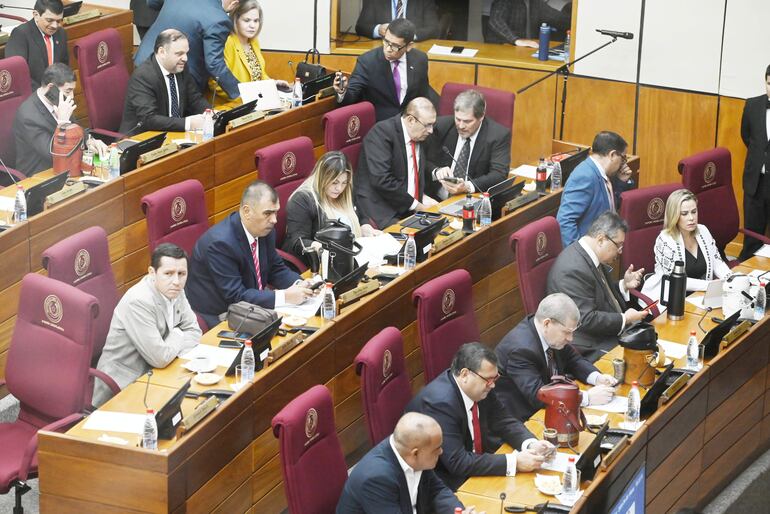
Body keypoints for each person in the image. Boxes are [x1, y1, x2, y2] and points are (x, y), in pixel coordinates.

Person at [405, 342, 554, 491]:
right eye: (489, 380)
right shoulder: (440, 404)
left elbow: (503, 420)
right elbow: (458, 462)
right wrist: (515, 462)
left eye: (495, 379)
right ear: (465, 374)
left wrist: (531, 444)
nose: (493, 385)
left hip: (476, 464)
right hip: (445, 483)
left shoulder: (481, 386)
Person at [186, 180, 315, 329]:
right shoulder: (220, 245)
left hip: (254, 304)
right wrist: (285, 296)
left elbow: (275, 268)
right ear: (247, 212)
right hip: (221, 315)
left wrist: (300, 285)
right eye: (267, 213)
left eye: (275, 212)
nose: (274, 220)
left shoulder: (265, 231)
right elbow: (237, 296)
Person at [92, 243, 201, 407]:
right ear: (152, 273)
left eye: (182, 274)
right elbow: (159, 358)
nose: (176, 281)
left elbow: (194, 330)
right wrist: (178, 334)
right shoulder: (139, 301)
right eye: (168, 273)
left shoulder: (175, 289)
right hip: (124, 386)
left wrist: (170, 351)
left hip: (158, 374)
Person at [495, 293, 618, 421]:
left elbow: (572, 359)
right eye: (567, 332)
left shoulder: (548, 333)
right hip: (522, 418)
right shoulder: (520, 350)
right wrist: (586, 398)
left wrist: (597, 378)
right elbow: (538, 395)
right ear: (547, 323)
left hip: (550, 406)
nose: (570, 339)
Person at [546, 211, 649, 361]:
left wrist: (623, 285)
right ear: (601, 239)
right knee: (642, 358)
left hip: (604, 334)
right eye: (618, 245)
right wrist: (624, 319)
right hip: (588, 344)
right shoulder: (573, 269)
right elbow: (586, 319)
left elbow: (594, 292)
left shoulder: (589, 255)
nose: (620, 252)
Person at [336, 412, 478, 514]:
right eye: (436, 449)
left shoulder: (413, 454)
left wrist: (458, 512)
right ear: (415, 453)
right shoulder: (376, 479)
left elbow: (436, 490)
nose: (441, 452)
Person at [283, 151, 379, 268]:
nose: (339, 188)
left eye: (344, 182)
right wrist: (319, 248)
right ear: (322, 177)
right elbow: (297, 242)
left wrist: (365, 227)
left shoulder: (345, 191)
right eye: (334, 182)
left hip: (356, 257)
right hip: (323, 265)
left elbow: (360, 215)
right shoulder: (302, 199)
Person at [354, 97, 439, 229]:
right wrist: (417, 205)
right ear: (411, 120)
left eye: (433, 124)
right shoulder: (381, 134)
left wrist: (422, 196)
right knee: (413, 240)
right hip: (382, 206)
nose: (431, 130)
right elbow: (382, 180)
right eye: (427, 125)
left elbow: (414, 171)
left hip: (408, 203)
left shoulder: (419, 134)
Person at [134, 0, 241, 99]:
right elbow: (214, 64)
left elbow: (152, 2)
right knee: (169, 118)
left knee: (143, 113)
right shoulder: (218, 19)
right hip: (175, 79)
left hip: (144, 60)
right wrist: (240, 92)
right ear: (234, 3)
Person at [13, 63, 107, 176]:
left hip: (67, 166)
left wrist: (89, 140)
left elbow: (76, 128)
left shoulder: (58, 101)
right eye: (68, 91)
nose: (71, 96)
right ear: (51, 88)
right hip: (39, 175)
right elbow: (53, 154)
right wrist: (62, 124)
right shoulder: (28, 116)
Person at [333, 18, 435, 122]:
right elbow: (352, 96)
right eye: (386, 41)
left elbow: (422, 95)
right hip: (380, 127)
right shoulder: (368, 61)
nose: (388, 49)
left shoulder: (420, 59)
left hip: (409, 125)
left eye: (395, 46)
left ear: (409, 46)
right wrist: (342, 91)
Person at [641, 189, 731, 301]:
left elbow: (717, 262)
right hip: (670, 299)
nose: (691, 218)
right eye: (684, 214)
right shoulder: (665, 240)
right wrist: (710, 285)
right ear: (674, 215)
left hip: (699, 295)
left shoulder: (703, 230)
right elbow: (676, 280)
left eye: (694, 212)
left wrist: (730, 279)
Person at [120, 29, 211, 134]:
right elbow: (149, 119)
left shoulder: (180, 68)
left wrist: (210, 113)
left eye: (186, 53)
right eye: (179, 54)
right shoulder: (143, 77)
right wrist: (188, 123)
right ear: (162, 52)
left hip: (172, 134)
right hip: (141, 139)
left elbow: (195, 99)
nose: (185, 58)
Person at [427, 89, 510, 199]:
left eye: (467, 121)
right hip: (435, 199)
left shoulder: (498, 135)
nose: (460, 126)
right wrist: (436, 171)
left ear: (481, 117)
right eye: (458, 119)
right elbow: (421, 158)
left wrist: (466, 186)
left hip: (472, 200)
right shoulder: (440, 126)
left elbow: (499, 174)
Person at [556, 130, 634, 247]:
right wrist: (579, 256)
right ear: (612, 155)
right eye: (623, 158)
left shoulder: (601, 173)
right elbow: (565, 221)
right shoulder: (585, 176)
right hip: (587, 254)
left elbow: (609, 205)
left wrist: (621, 182)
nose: (623, 164)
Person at [208, 0, 289, 102]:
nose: (252, 25)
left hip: (255, 102)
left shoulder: (254, 42)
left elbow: (260, 75)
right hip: (231, 105)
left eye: (256, 21)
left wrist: (273, 83)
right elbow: (215, 82)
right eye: (247, 20)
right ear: (235, 20)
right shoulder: (227, 42)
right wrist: (246, 96)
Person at [739, 64, 770, 260]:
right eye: (769, 83)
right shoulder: (752, 105)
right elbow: (747, 136)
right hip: (755, 181)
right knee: (752, 233)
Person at [5, 0, 69, 91]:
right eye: (49, 20)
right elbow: (17, 72)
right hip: (32, 95)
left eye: (58, 21)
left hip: (56, 92)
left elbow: (64, 65)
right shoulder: (21, 34)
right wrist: (43, 93)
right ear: (36, 15)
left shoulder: (61, 33)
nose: (55, 26)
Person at [486, 0, 570, 48]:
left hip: (526, 50)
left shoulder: (536, 3)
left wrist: (578, 23)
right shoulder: (504, 1)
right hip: (503, 50)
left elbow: (558, 18)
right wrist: (516, 40)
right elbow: (495, 20)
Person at [355, 0, 440, 41]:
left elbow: (433, 28)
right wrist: (378, 29)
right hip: (382, 50)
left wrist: (410, 35)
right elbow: (360, 26)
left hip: (413, 50)